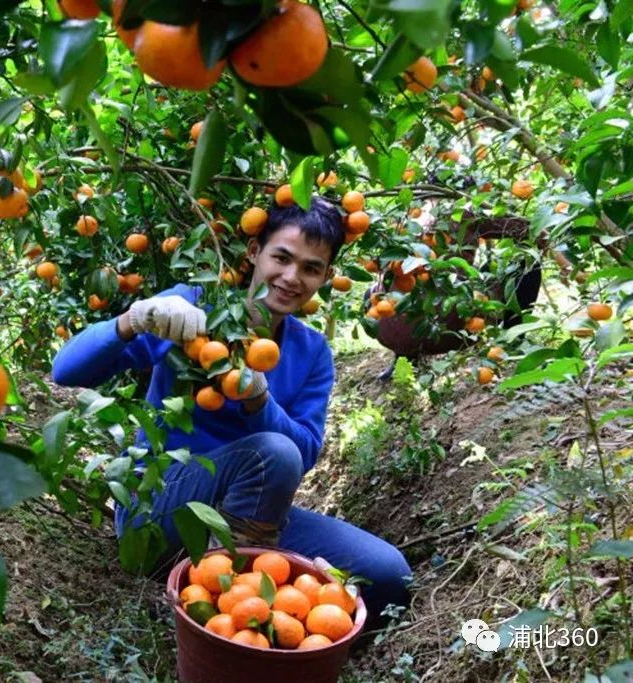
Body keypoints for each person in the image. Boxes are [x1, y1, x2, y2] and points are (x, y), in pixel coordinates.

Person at [51, 198, 412, 626]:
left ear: (325, 278)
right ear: (255, 252)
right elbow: (66, 370)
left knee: (390, 575)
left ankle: (247, 592)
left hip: (254, 513)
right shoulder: (193, 310)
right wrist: (134, 318)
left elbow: (305, 452)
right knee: (272, 453)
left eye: (311, 268)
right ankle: (229, 615)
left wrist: (260, 402)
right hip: (160, 508)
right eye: (282, 257)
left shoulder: (311, 352)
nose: (292, 277)